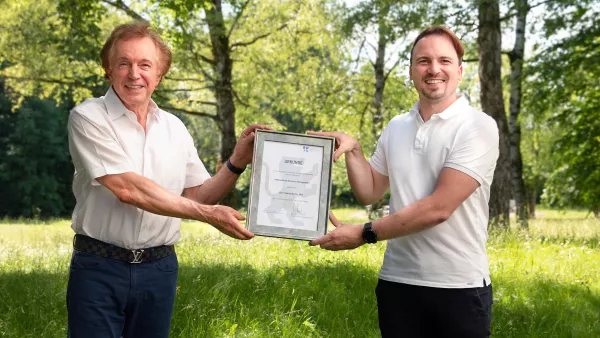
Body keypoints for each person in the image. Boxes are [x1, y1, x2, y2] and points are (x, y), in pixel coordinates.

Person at [66, 21, 267, 338]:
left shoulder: (175, 128)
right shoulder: (88, 117)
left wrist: (238, 161)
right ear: (108, 70)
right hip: (99, 267)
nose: (134, 74)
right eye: (124, 63)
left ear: (158, 76)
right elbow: (128, 189)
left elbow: (198, 196)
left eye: (145, 65)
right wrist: (207, 216)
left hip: (159, 269)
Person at [309, 26, 499, 338]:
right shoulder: (396, 127)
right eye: (423, 61)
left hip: (458, 287)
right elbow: (369, 191)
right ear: (411, 71)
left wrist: (365, 233)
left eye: (445, 61)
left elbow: (438, 208)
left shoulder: (478, 126)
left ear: (460, 71)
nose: (434, 69)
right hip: (397, 283)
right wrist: (354, 149)